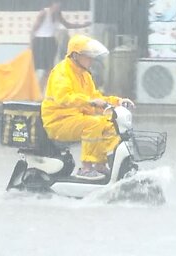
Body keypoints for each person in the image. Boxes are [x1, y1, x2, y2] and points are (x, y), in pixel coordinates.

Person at [41, 35, 135, 180]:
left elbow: (96, 98)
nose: (91, 60)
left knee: (110, 125)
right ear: (75, 55)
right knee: (94, 124)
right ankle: (86, 168)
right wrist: (90, 102)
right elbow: (64, 97)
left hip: (76, 119)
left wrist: (118, 102)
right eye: (88, 56)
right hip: (58, 121)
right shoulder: (61, 72)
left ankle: (101, 165)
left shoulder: (84, 75)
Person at [31, 0, 91, 92]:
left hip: (50, 42)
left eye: (60, 5)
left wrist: (83, 25)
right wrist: (30, 44)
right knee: (36, 67)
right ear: (52, 4)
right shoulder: (44, 13)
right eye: (57, 4)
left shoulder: (58, 15)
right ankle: (34, 90)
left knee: (49, 68)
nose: (59, 6)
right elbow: (34, 29)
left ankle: (41, 90)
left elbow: (68, 25)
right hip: (40, 41)